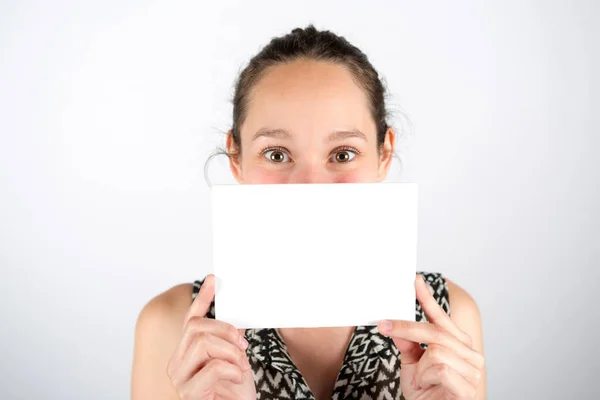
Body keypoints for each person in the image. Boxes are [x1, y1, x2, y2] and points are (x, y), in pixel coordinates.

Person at [131, 25, 486, 400]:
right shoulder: (170, 329)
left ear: (384, 154)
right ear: (236, 158)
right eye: (277, 154)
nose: (310, 185)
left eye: (343, 154)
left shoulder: (449, 325)